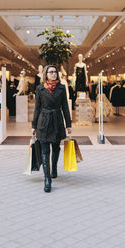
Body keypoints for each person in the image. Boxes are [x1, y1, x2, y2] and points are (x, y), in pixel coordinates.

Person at [32, 65, 72, 193]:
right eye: (51, 72)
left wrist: (68, 124)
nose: (54, 74)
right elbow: (37, 107)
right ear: (46, 74)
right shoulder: (40, 88)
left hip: (57, 120)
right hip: (43, 121)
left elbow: (65, 106)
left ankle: (54, 168)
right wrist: (33, 125)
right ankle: (47, 179)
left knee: (55, 147)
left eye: (55, 72)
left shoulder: (61, 87)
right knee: (45, 150)